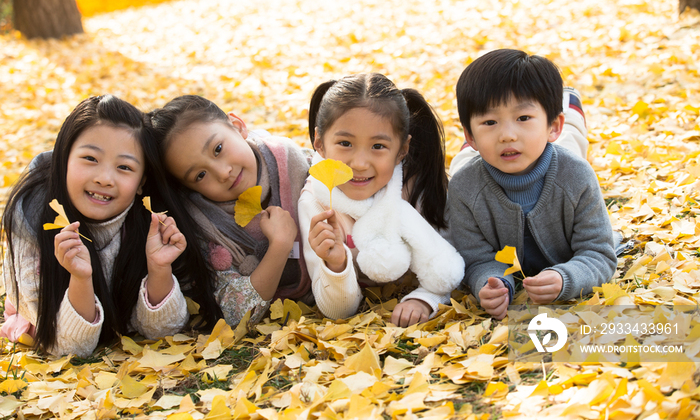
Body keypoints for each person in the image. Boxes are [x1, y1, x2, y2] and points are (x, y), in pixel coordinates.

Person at [0, 95, 190, 357]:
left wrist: (159, 268)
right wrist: (80, 278)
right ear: (64, 158)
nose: (104, 179)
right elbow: (70, 347)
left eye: (124, 167)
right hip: (46, 321)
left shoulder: (151, 221)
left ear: (142, 182)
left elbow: (164, 331)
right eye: (90, 158)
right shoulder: (31, 220)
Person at [447, 49, 616, 320]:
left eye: (523, 118)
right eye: (489, 122)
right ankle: (482, 140)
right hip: (476, 164)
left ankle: (569, 106)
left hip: (558, 154)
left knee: (571, 141)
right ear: (471, 135)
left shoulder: (576, 176)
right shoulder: (463, 189)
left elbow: (599, 253)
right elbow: (475, 258)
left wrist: (567, 277)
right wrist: (491, 283)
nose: (507, 135)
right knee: (461, 166)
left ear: (552, 126)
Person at [299, 73, 464, 327]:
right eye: (345, 143)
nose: (360, 163)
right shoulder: (317, 201)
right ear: (319, 142)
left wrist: (425, 298)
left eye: (378, 146)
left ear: (402, 150)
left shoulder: (415, 185)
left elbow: (447, 265)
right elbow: (337, 312)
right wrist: (336, 264)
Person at [147, 95, 312, 328]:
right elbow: (235, 314)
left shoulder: (296, 165)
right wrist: (279, 246)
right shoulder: (206, 227)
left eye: (218, 149)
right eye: (200, 175)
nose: (223, 173)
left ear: (238, 126)